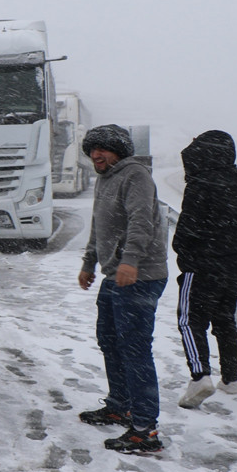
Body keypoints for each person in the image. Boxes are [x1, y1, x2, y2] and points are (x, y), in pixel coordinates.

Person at [76, 124, 169, 454]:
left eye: (102, 149)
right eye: (92, 150)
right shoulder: (105, 178)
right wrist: (89, 262)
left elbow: (141, 221)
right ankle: (120, 406)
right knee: (110, 341)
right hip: (115, 275)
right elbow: (99, 225)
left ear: (119, 151)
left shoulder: (135, 175)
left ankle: (145, 429)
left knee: (135, 350)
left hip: (139, 276)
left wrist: (131, 261)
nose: (96, 155)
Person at [172, 130, 237, 407]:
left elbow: (188, 226)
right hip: (234, 261)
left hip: (203, 262)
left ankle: (200, 376)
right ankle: (230, 379)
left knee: (189, 320)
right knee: (224, 319)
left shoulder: (201, 181)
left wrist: (181, 249)